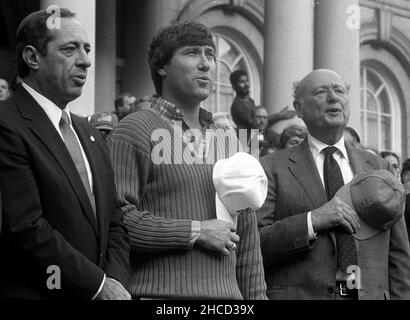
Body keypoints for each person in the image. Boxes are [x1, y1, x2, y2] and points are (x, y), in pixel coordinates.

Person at [109, 21, 266, 300]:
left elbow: (249, 243)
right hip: (160, 298)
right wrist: (196, 231)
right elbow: (117, 224)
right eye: (192, 53)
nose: (205, 64)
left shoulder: (230, 140)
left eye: (210, 55)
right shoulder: (133, 129)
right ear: (162, 66)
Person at [0, 8, 130, 299]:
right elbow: (24, 227)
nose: (85, 61)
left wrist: (115, 283)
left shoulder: (90, 132)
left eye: (86, 49)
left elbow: (114, 224)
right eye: (70, 49)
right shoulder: (6, 124)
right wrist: (98, 285)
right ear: (33, 57)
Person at [257, 69, 410, 300]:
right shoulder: (270, 168)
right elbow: (255, 244)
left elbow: (398, 253)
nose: (333, 97)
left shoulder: (380, 169)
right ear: (298, 108)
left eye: (339, 91)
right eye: (321, 92)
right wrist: (312, 221)